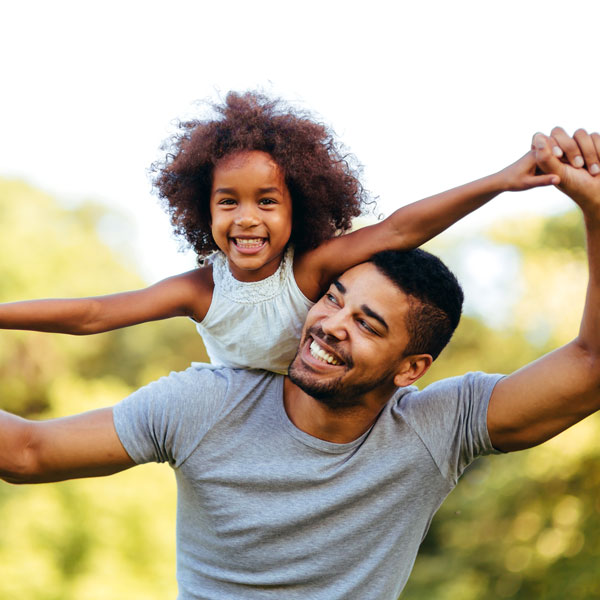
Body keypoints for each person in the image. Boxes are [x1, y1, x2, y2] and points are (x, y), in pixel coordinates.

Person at [2, 127, 599, 600]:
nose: (333, 322)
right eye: (334, 298)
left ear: (410, 368)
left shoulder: (435, 429)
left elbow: (590, 366)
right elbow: (26, 450)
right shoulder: (204, 401)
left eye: (367, 324)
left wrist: (593, 208)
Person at [0, 91, 558, 374]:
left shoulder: (310, 270)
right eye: (228, 202)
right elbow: (94, 314)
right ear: (203, 210)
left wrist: (502, 182)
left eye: (267, 201)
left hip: (319, 407)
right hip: (236, 416)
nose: (246, 218)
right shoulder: (201, 291)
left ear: (299, 209)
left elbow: (401, 228)